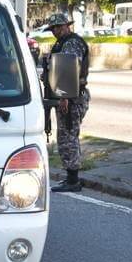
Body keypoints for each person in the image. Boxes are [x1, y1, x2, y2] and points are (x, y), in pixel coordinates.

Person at [43, 13, 90, 192]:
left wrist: (65, 97)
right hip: (67, 96)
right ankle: (70, 177)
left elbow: (70, 69)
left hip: (71, 97)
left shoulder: (72, 43)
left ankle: (73, 180)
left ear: (65, 26)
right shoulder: (63, 43)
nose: (55, 31)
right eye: (53, 28)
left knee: (68, 137)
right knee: (65, 137)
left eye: (57, 27)